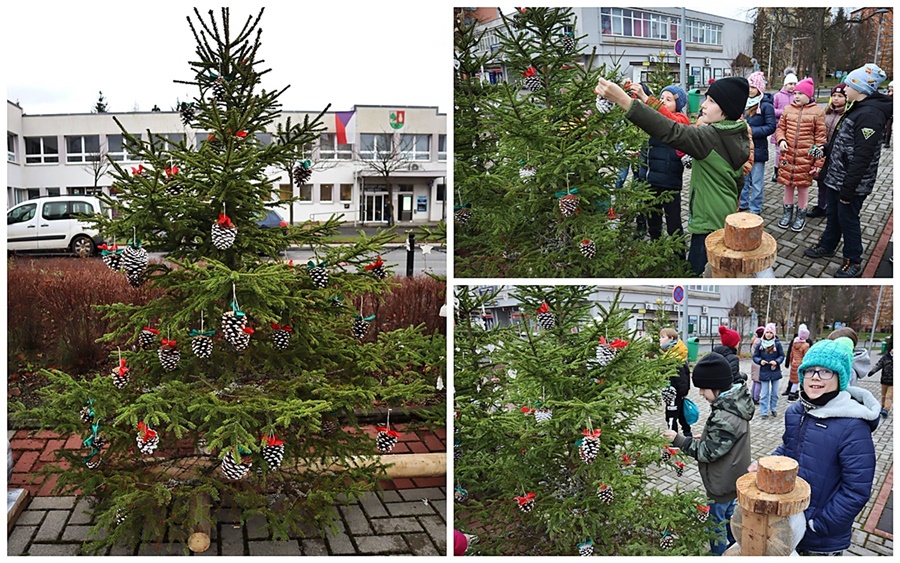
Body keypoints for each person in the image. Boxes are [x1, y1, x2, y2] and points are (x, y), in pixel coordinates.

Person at [594, 76, 751, 275]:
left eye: (711, 101)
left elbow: (671, 130)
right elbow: (738, 180)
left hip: (707, 224)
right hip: (724, 215)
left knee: (694, 272)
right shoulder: (736, 134)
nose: (703, 105)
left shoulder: (709, 138)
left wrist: (623, 100)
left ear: (726, 110)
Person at [751, 337, 880, 556]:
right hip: (788, 518)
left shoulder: (853, 426)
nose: (815, 378)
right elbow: (788, 448)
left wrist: (818, 524)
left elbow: (856, 489)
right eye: (809, 371)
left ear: (840, 377)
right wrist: (766, 465)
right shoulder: (796, 412)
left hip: (819, 537)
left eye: (825, 371)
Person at [804, 63, 892, 277]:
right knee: (834, 215)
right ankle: (827, 245)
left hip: (850, 184)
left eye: (849, 85)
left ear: (861, 89)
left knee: (848, 220)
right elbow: (842, 141)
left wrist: (848, 189)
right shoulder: (856, 107)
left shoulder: (870, 115)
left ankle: (853, 260)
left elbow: (863, 157)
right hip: (836, 177)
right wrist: (822, 150)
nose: (843, 89)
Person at [663, 352, 753, 556]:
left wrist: (679, 439)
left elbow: (707, 453)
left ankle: (720, 554)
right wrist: (704, 436)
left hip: (722, 483)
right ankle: (736, 547)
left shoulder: (724, 415)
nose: (701, 393)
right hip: (734, 477)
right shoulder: (735, 403)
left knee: (716, 525)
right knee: (730, 516)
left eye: (703, 389)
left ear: (717, 386)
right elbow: (722, 440)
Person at [629, 83, 690, 243]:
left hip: (670, 184)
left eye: (668, 99)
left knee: (674, 226)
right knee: (654, 225)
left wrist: (645, 97)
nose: (663, 101)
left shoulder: (681, 120)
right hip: (651, 181)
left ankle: (680, 261)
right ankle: (657, 255)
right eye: (661, 97)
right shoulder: (655, 120)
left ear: (679, 104)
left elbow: (670, 120)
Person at [774, 77, 826, 232]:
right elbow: (780, 128)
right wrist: (781, 139)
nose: (796, 96)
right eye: (795, 93)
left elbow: (821, 140)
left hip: (806, 159)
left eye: (800, 93)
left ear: (809, 95)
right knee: (788, 186)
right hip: (788, 157)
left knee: (803, 188)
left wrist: (817, 163)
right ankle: (787, 214)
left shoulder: (817, 112)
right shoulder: (788, 110)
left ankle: (800, 215)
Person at [807, 83, 848, 219]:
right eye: (834, 96)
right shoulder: (827, 112)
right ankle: (821, 206)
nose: (836, 99)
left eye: (840, 96)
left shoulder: (847, 115)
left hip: (837, 154)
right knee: (821, 180)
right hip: (824, 151)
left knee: (834, 183)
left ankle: (832, 207)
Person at [739, 71, 776, 215]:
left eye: (753, 87)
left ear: (759, 88)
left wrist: (751, 131)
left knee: (757, 182)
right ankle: (743, 203)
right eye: (748, 86)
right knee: (744, 179)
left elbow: (771, 126)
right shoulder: (743, 103)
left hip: (759, 149)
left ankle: (755, 208)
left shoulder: (766, 106)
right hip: (744, 148)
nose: (750, 90)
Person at [660, 328, 692, 437]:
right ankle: (687, 435)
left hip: (675, 394)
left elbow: (682, 377)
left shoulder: (673, 357)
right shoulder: (670, 354)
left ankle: (673, 439)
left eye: (663, 337)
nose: (660, 340)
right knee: (681, 415)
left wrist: (682, 392)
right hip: (673, 393)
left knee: (672, 416)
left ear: (671, 339)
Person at [770, 71, 799, 182]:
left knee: (789, 151)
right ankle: (776, 171)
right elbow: (772, 110)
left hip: (792, 128)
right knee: (778, 151)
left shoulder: (797, 96)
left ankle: (786, 170)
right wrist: (784, 112)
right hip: (779, 127)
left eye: (794, 84)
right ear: (785, 84)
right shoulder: (777, 96)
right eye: (790, 84)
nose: (792, 86)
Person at [752, 323, 784, 418]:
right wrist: (760, 361)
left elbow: (782, 356)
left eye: (770, 332)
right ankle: (764, 412)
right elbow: (755, 356)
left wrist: (777, 361)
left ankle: (773, 408)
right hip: (764, 371)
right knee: (764, 393)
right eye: (767, 332)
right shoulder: (760, 344)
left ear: (773, 333)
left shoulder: (777, 344)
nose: (769, 334)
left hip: (775, 371)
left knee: (774, 393)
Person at [783, 324, 811, 402]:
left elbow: (791, 354)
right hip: (801, 364)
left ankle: (793, 394)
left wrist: (791, 362)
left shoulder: (795, 343)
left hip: (794, 363)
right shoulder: (806, 345)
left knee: (794, 380)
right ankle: (791, 396)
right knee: (798, 381)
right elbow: (806, 356)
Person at [867, 338, 892, 418]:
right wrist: (872, 372)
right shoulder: (885, 358)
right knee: (883, 395)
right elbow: (879, 365)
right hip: (884, 381)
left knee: (889, 396)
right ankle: (883, 406)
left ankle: (886, 409)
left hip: (893, 383)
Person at [749, 326, 765, 404]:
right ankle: (756, 397)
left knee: (755, 381)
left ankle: (752, 395)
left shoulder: (755, 341)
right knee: (759, 381)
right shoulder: (761, 342)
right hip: (759, 363)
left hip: (754, 362)